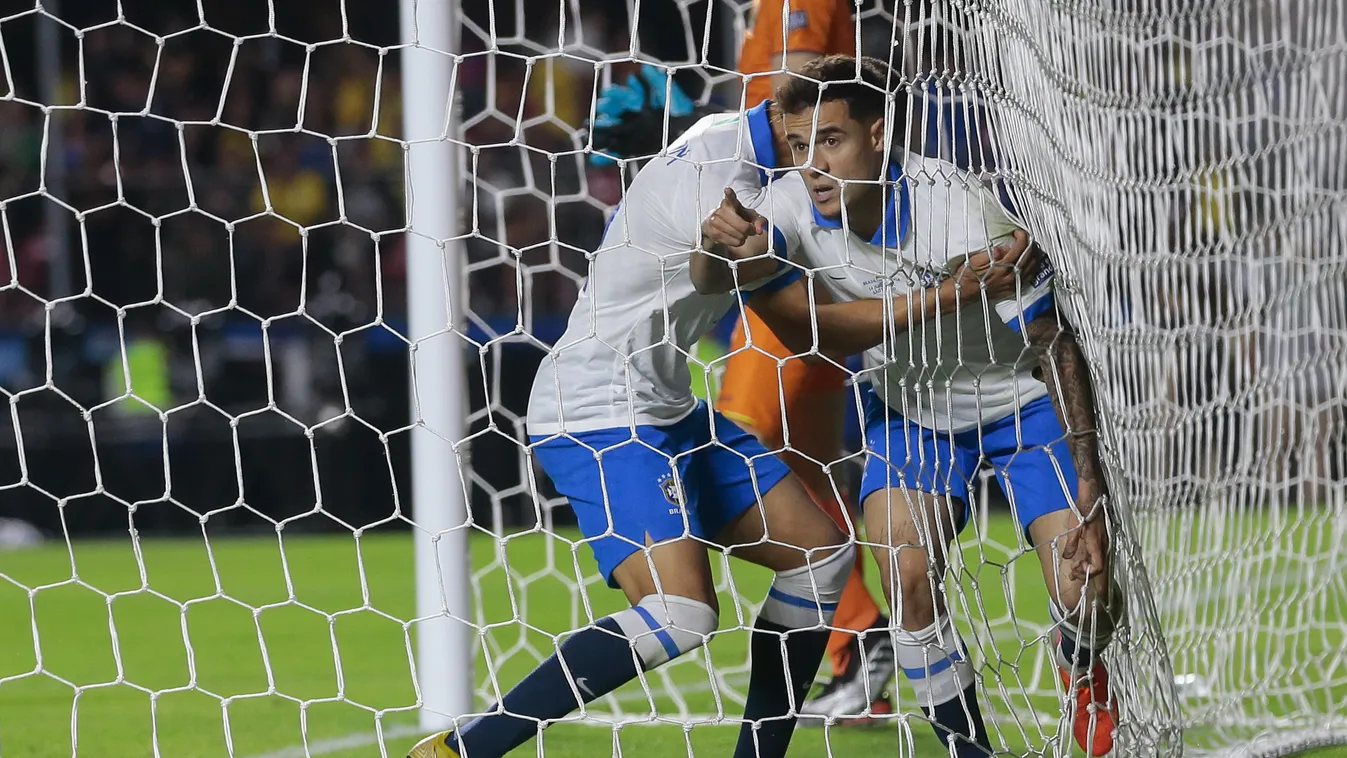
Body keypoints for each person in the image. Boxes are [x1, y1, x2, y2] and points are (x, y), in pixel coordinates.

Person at [739, 55, 1123, 757]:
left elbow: (1054, 343)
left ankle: (1080, 657)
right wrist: (718, 248)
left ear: (876, 134)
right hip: (912, 413)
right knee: (905, 575)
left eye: (830, 139)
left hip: (1020, 405)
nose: (812, 164)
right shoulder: (789, 207)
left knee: (1087, 595)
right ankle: (963, 746)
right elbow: (751, 269)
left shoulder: (959, 209)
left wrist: (1092, 492)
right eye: (798, 146)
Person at [587, 0, 899, 722]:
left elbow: (799, 107)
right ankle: (869, 638)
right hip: (808, 253)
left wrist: (682, 127)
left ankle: (859, 634)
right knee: (806, 469)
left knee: (742, 448)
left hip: (797, 258)